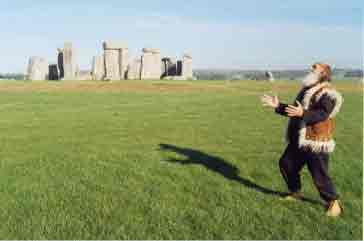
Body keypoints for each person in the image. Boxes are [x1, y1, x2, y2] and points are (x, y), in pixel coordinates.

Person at [261, 63, 343, 217]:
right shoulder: (306, 90)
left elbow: (323, 114)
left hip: (315, 140)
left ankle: (334, 203)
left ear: (323, 73)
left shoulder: (328, 93)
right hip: (299, 138)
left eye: (315, 68)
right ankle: (295, 193)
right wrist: (278, 106)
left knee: (319, 174)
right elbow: (295, 110)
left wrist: (303, 113)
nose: (311, 70)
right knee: (286, 164)